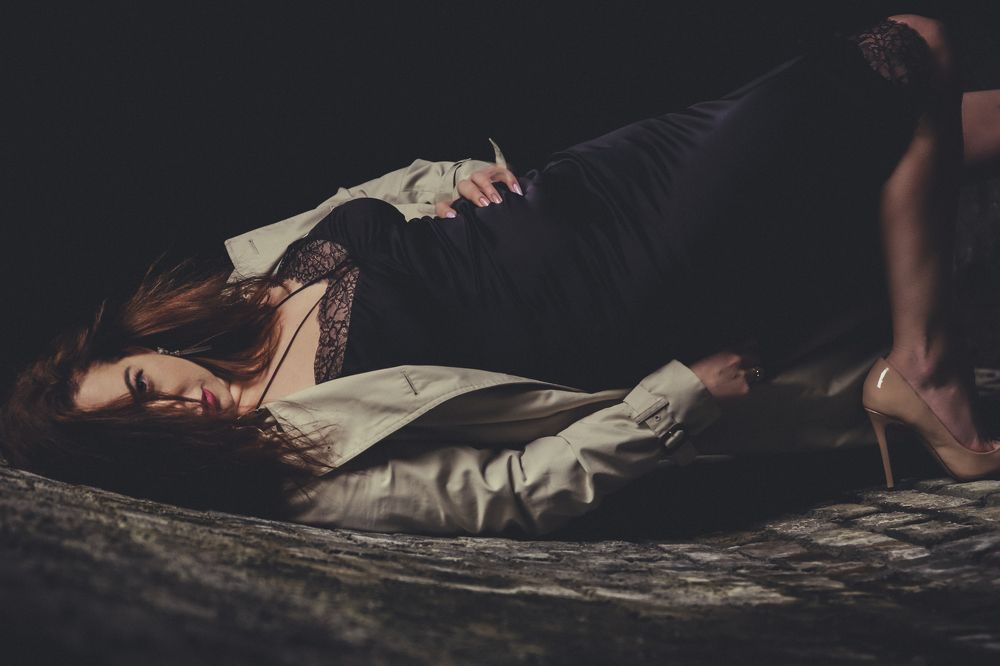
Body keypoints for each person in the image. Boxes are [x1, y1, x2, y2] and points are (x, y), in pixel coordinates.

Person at [2, 15, 999, 536]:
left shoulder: (238, 287)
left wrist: (457, 180)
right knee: (905, 53)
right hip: (631, 280)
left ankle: (915, 371)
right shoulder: (295, 470)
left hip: (589, 184)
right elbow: (508, 491)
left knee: (924, 130)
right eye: (145, 424)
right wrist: (674, 401)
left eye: (143, 384)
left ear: (144, 348)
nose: (174, 404)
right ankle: (923, 364)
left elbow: (367, 196)